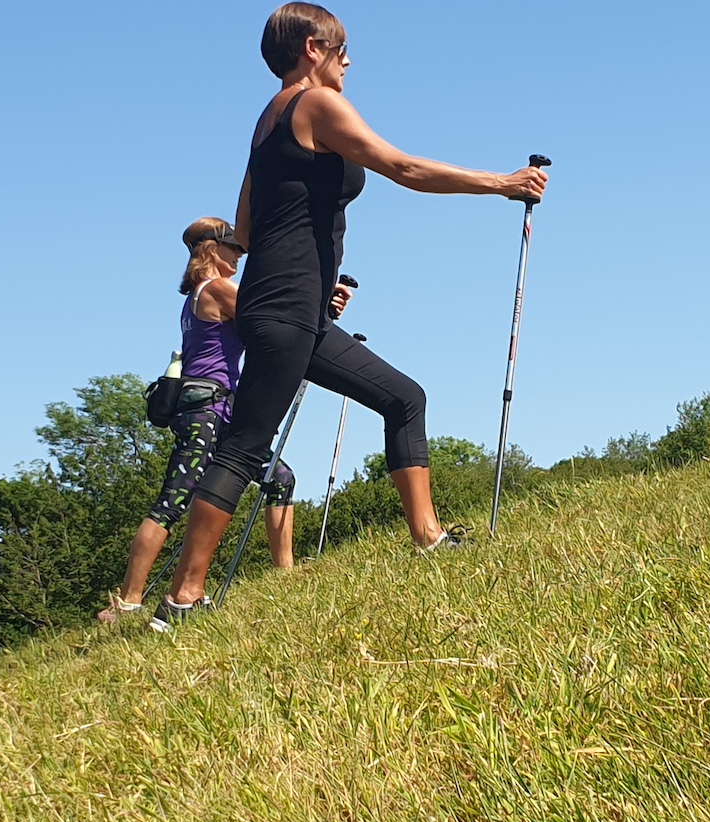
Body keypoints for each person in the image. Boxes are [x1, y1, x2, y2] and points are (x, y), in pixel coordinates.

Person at [150, 2, 547, 630]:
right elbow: (404, 168)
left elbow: (246, 226)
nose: (349, 62)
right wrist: (502, 183)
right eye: (342, 51)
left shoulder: (267, 121)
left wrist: (306, 280)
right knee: (246, 445)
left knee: (403, 398)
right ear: (313, 49)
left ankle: (429, 539)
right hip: (284, 308)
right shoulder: (316, 104)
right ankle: (180, 601)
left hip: (287, 305)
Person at [97, 217, 301, 624]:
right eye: (234, 249)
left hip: (219, 408)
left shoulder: (193, 297)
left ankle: (286, 576)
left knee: (279, 478)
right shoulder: (218, 289)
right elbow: (268, 315)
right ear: (211, 250)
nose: (239, 257)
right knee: (174, 500)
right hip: (207, 409)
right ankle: (126, 603)